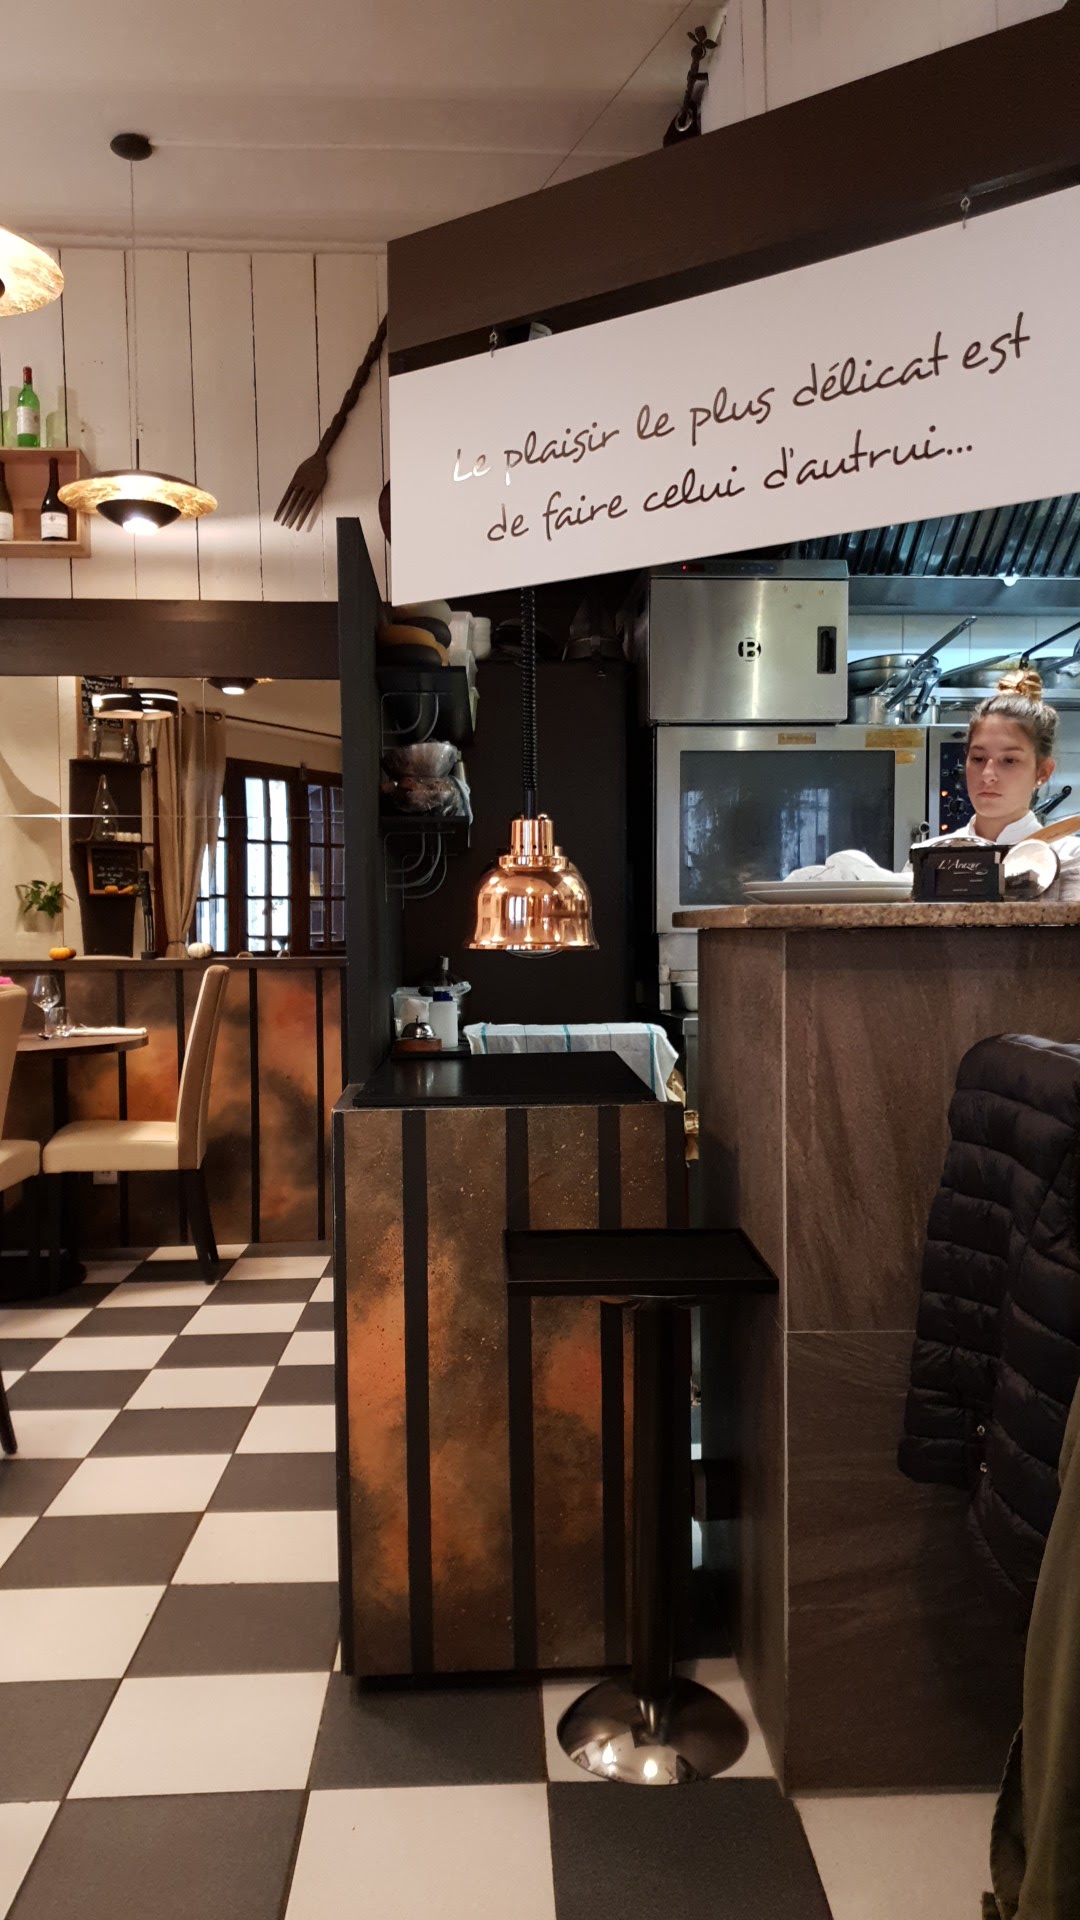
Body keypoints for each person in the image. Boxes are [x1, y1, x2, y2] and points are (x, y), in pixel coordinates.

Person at [920, 668, 1080, 899]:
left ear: (1042, 772)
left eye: (1009, 760)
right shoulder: (930, 859)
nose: (988, 775)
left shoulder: (1070, 859)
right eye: (978, 758)